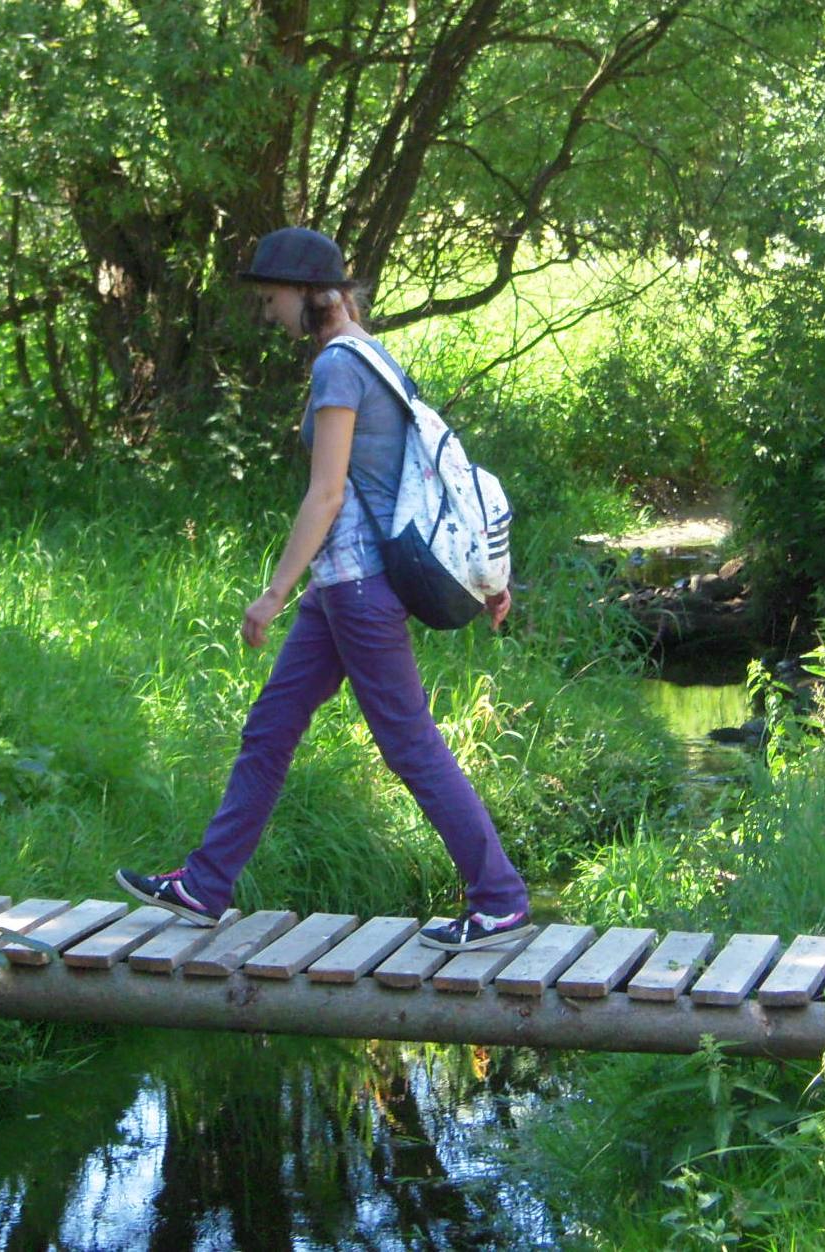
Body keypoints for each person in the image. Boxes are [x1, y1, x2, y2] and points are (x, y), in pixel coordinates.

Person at [115, 227, 532, 952]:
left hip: (359, 589)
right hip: (340, 588)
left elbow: (327, 494)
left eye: (272, 297)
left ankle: (499, 899)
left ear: (309, 293)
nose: (267, 311)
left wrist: (271, 594)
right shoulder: (371, 354)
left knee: (408, 743)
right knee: (271, 726)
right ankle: (205, 886)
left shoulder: (339, 365)